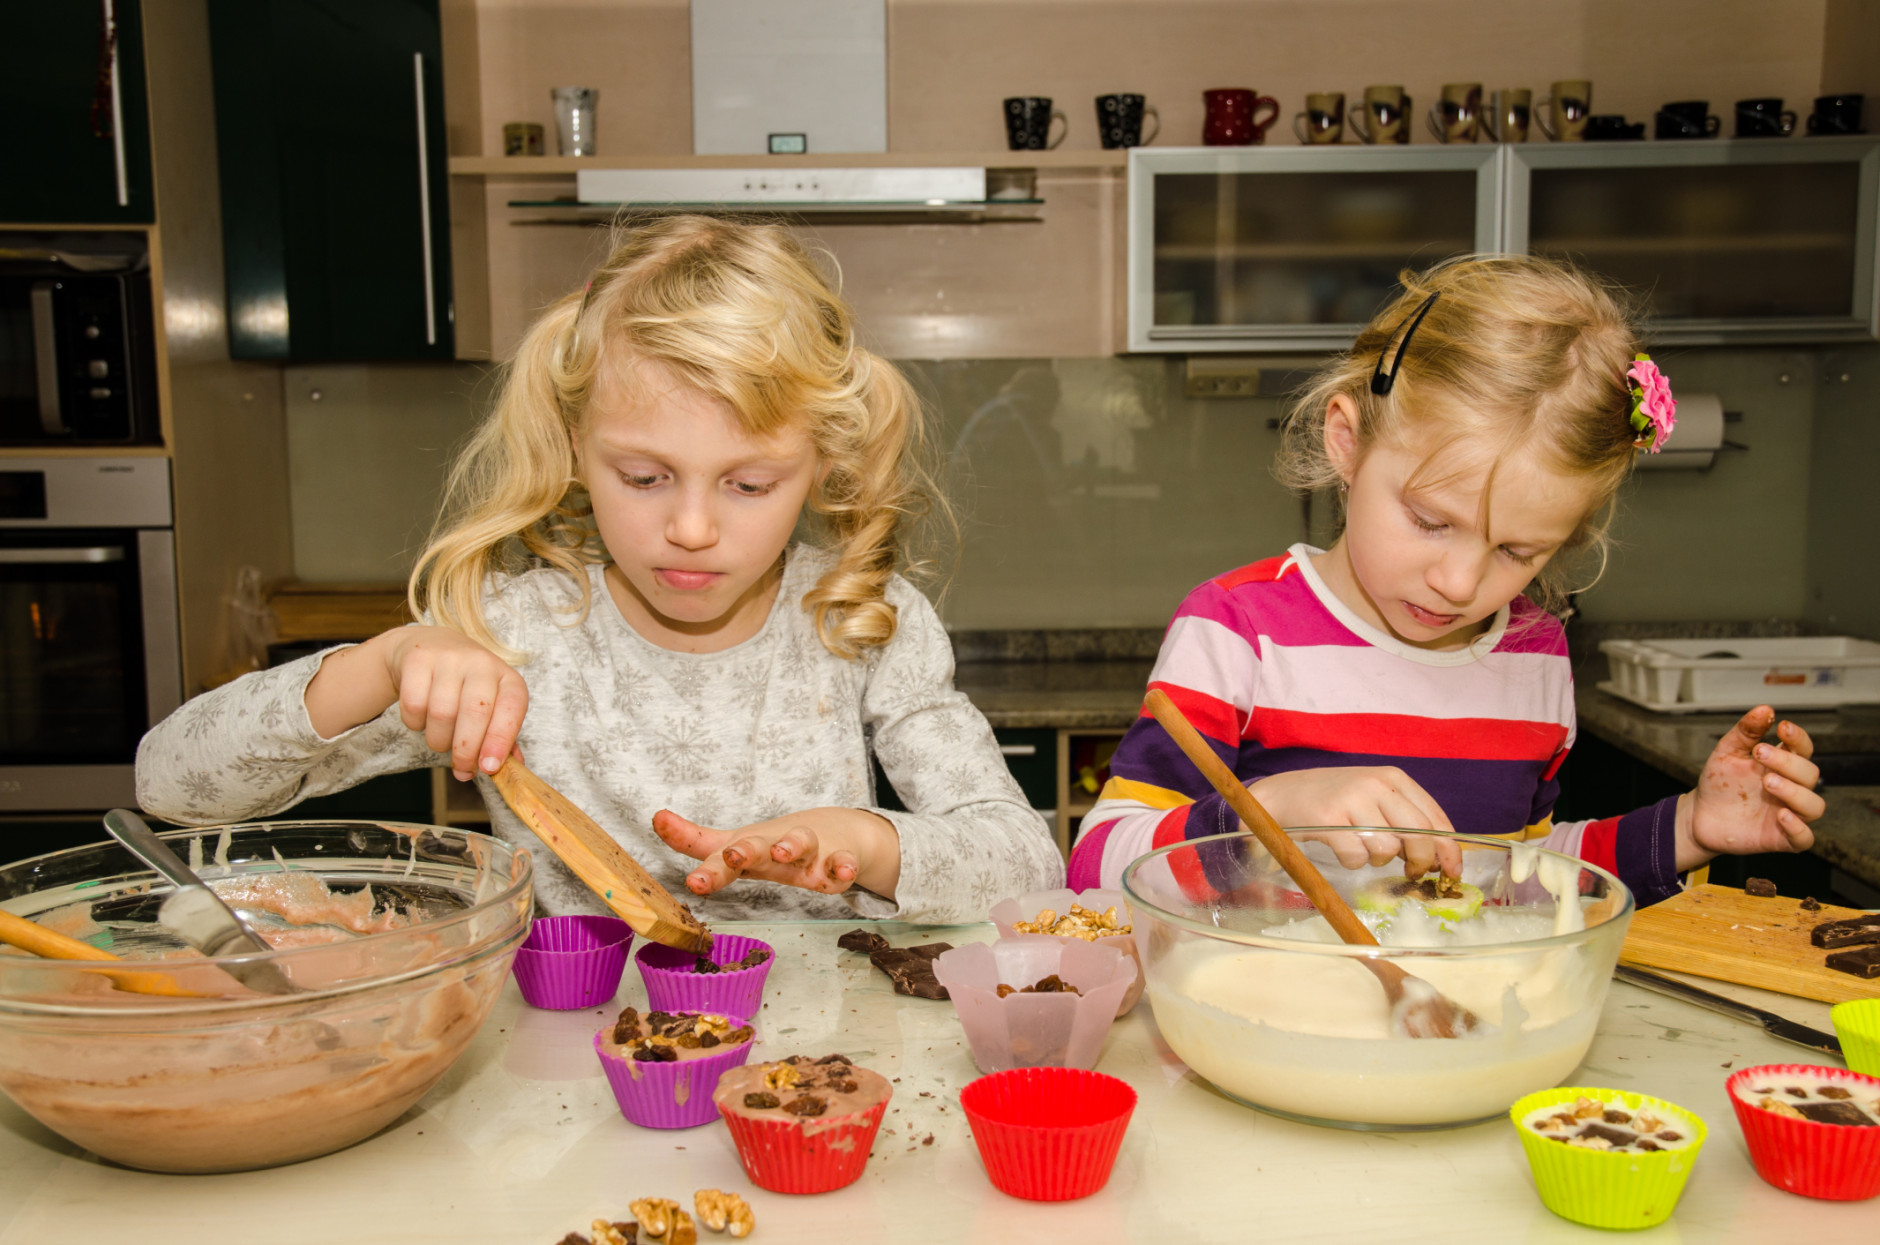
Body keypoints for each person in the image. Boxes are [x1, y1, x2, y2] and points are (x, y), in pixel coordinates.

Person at [137, 216, 1064, 921]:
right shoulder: (515, 633)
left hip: (820, 1062)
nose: (691, 527)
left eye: (748, 483)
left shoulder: (863, 618)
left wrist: (867, 843)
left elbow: (1028, 866)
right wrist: (382, 665)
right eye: (645, 476)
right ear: (574, 445)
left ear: (819, 465)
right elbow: (170, 785)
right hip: (575, 1077)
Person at [1069, 255, 1823, 906]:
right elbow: (1095, 869)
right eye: (1431, 521)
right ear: (1348, 442)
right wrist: (1266, 816)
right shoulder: (1237, 630)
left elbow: (1519, 877)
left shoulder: (1532, 653)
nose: (1460, 582)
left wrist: (1687, 827)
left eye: (1518, 551)